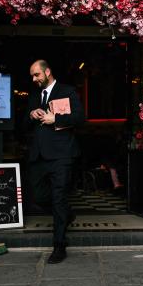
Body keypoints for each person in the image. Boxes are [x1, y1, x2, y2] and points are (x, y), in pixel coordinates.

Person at [27, 59, 85, 263]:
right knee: (39, 196)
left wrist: (56, 119)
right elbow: (26, 122)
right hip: (39, 155)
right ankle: (67, 214)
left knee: (58, 198)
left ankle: (59, 247)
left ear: (47, 71)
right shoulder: (35, 95)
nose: (34, 79)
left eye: (37, 75)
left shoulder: (67, 91)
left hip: (62, 155)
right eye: (32, 76)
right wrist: (31, 114)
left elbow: (79, 118)